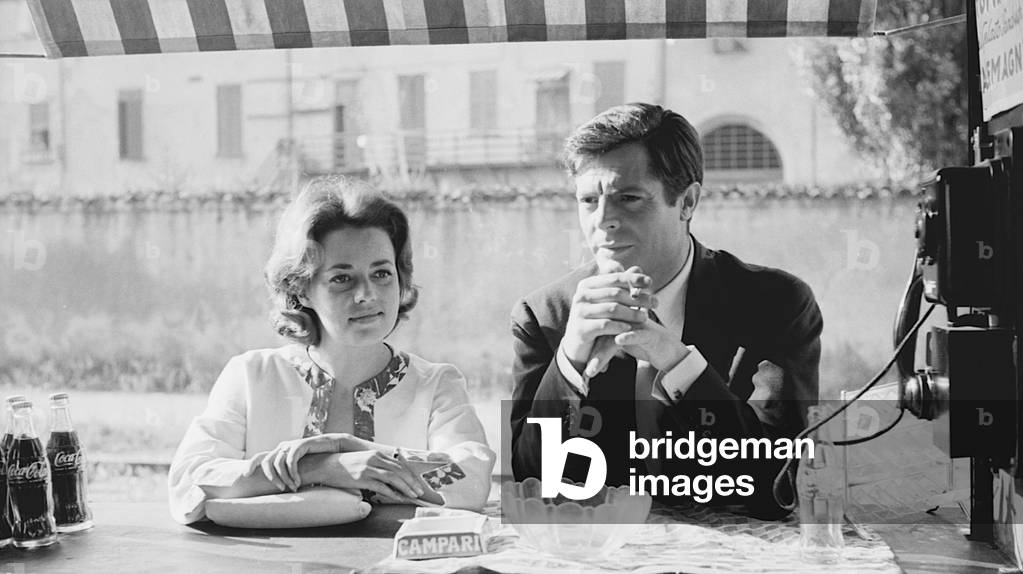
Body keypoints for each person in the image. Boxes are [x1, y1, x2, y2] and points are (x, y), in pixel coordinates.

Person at [509, 103, 822, 517]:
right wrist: (569, 361)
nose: (603, 220)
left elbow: (778, 485)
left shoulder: (776, 303)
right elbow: (533, 487)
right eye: (588, 200)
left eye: (629, 198)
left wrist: (677, 363)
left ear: (687, 201)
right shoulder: (545, 317)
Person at [169, 177, 495, 526]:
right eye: (342, 278)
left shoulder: (437, 385)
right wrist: (319, 468)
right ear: (302, 288)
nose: (367, 294)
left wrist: (354, 450)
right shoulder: (252, 375)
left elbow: (469, 484)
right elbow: (189, 483)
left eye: (382, 273)